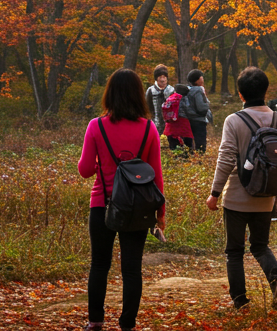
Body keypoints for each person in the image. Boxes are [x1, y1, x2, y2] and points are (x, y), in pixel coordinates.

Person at [77, 68, 167, 331]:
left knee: (99, 264)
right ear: (139, 95)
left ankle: (95, 321)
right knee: (131, 268)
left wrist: (101, 164)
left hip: (102, 204)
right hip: (138, 208)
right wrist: (160, 214)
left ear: (110, 94)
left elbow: (84, 170)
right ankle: (127, 324)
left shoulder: (96, 126)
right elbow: (156, 176)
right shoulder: (149, 128)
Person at [206, 66, 277, 309]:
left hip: (236, 196)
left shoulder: (234, 120)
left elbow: (226, 159)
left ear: (240, 94)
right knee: (260, 246)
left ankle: (240, 301)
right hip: (266, 196)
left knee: (234, 251)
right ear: (266, 91)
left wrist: (214, 193)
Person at [180, 69, 211, 154]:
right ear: (198, 80)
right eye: (201, 77)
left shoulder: (186, 89)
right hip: (199, 121)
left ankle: (188, 158)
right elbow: (201, 108)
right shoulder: (198, 90)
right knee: (200, 144)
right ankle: (200, 159)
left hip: (187, 120)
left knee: (188, 144)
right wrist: (207, 105)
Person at [162, 86, 194, 152]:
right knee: (188, 146)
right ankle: (187, 156)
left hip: (170, 124)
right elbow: (189, 110)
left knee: (173, 145)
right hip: (183, 124)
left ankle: (175, 156)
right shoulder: (185, 99)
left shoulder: (170, 98)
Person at [146, 65, 174, 131]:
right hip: (154, 125)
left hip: (169, 125)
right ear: (156, 78)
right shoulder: (150, 90)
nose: (162, 80)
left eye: (164, 77)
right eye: (160, 77)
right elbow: (147, 108)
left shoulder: (171, 90)